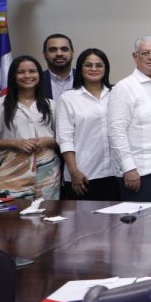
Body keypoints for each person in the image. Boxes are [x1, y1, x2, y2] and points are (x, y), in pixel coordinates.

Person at [0, 55, 61, 201]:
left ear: (39, 75)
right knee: (11, 216)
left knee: (47, 213)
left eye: (32, 71)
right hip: (12, 169)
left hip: (48, 168)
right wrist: (14, 143)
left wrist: (48, 141)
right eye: (21, 72)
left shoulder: (51, 105)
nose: (27, 75)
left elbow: (64, 139)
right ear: (13, 76)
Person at [107, 36, 151, 203]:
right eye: (145, 53)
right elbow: (116, 131)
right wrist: (129, 168)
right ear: (135, 56)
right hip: (140, 173)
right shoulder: (124, 87)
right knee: (142, 227)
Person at [55, 48, 120, 201]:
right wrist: (73, 171)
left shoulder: (117, 93)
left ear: (106, 68)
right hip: (84, 174)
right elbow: (64, 139)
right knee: (84, 223)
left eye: (99, 65)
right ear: (80, 68)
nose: (93, 69)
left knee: (116, 222)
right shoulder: (68, 98)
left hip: (116, 172)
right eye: (88, 65)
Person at [40, 33, 75, 102]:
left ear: (72, 53)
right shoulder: (36, 81)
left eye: (64, 49)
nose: (59, 54)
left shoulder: (85, 79)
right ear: (44, 55)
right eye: (53, 50)